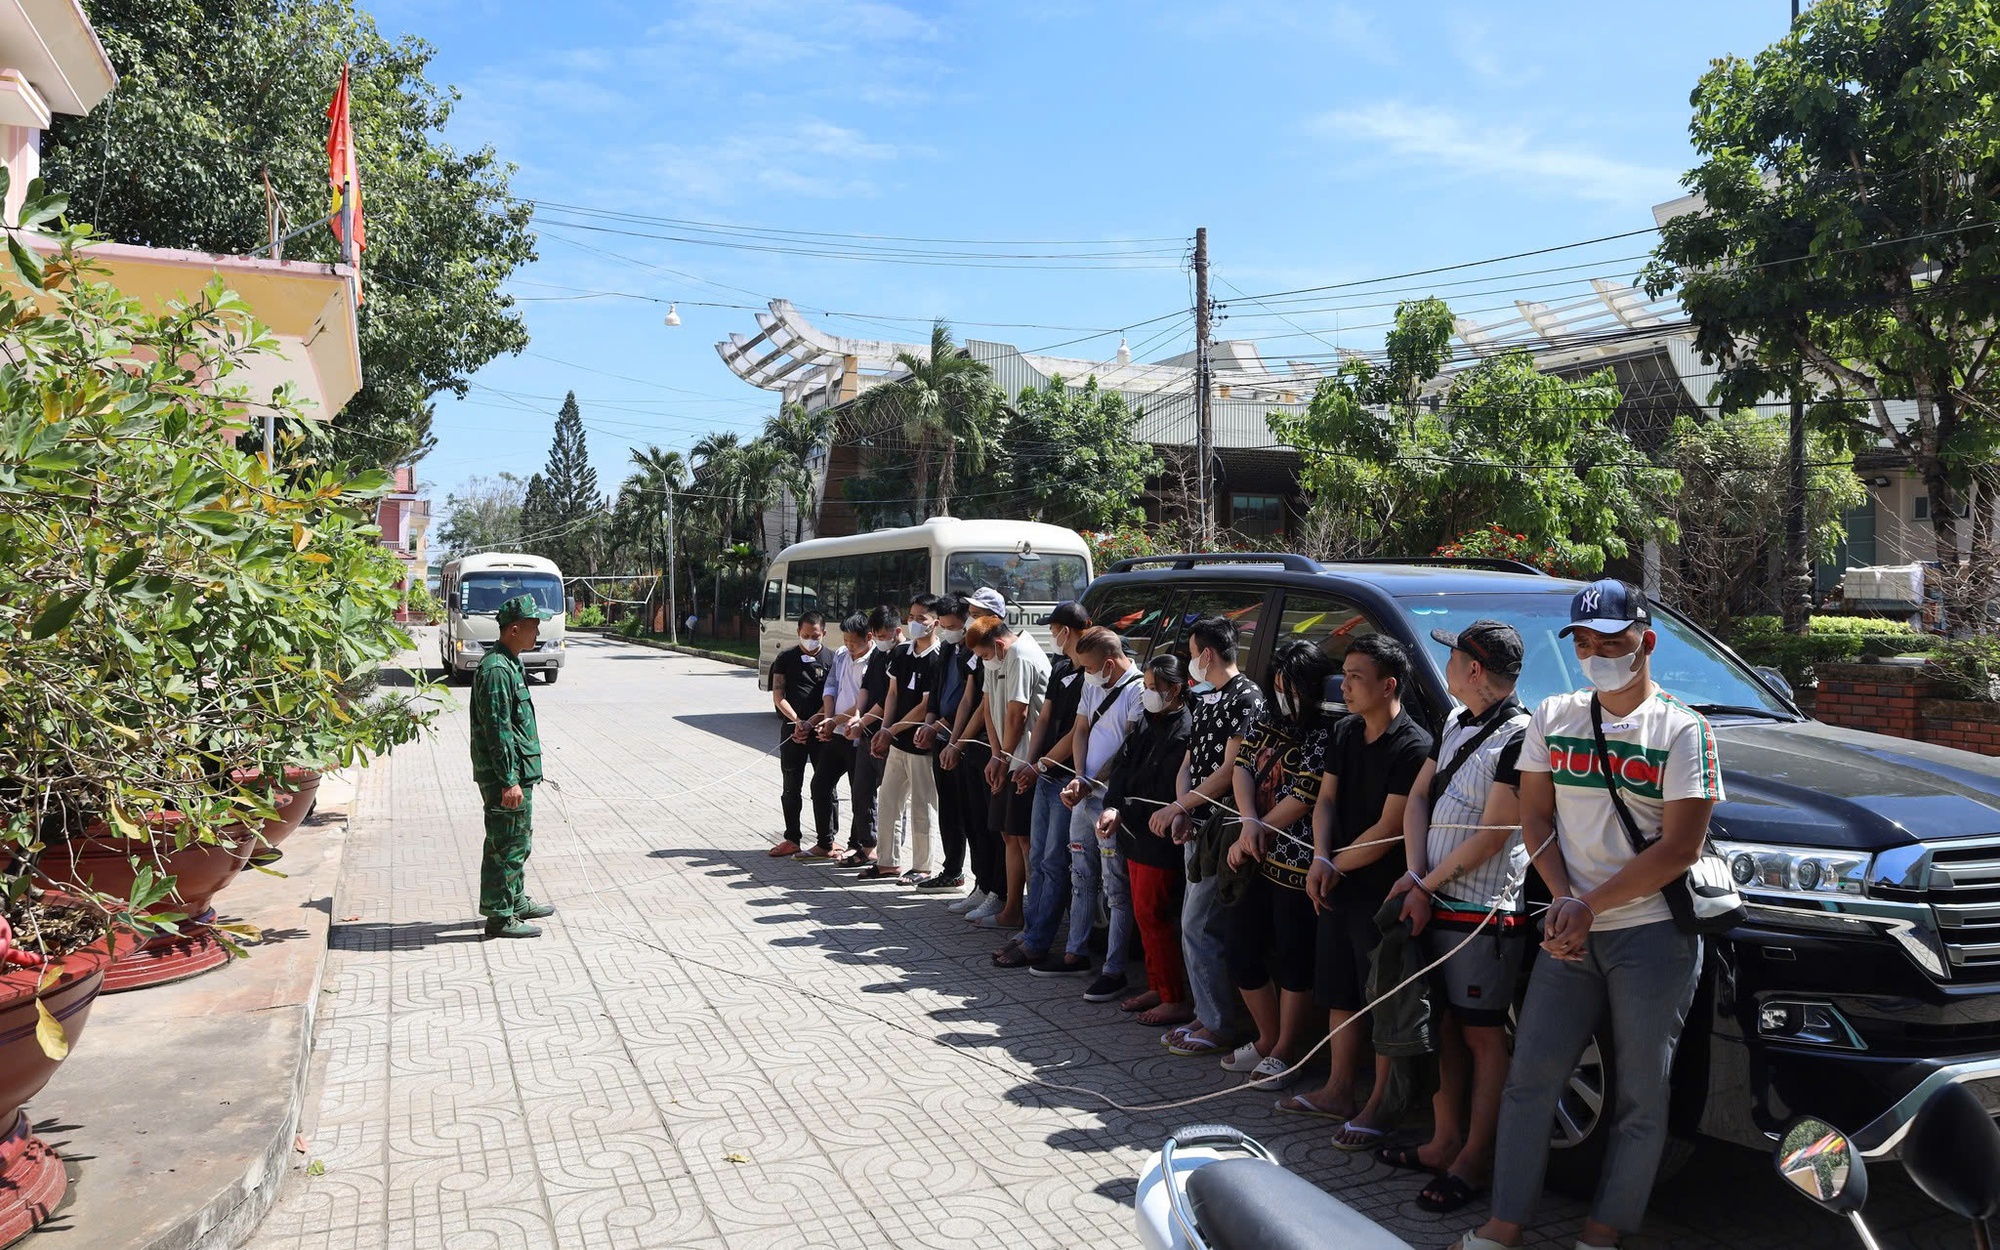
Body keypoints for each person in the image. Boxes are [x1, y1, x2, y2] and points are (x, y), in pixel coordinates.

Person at [1461, 580, 1722, 1250]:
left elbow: (1679, 848)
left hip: (1653, 937)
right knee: (1531, 1081)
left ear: (1647, 642)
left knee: (1641, 1094)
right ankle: (1504, 1223)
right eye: (1586, 643)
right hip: (1570, 931)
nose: (1600, 654)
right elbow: (1535, 815)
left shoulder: (1684, 730)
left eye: (1615, 642)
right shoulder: (1555, 716)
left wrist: (1585, 905)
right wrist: (1561, 896)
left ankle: (1603, 1232)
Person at [1380, 620, 1530, 1212]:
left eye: (1453, 657)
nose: (1442, 666)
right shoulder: (1452, 721)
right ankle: (1444, 1141)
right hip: (1434, 896)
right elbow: (1422, 795)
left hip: (1482, 910)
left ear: (1473, 668)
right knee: (1440, 1024)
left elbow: (1495, 834)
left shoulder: (1521, 738)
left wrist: (1427, 883)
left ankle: (1475, 1157)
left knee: (1482, 1034)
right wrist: (1417, 875)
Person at [1294, 634, 1433, 1149]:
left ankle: (1381, 1103)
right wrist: (1320, 856)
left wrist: (1332, 863)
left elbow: (1390, 829)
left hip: (1383, 888)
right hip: (1336, 879)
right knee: (1338, 987)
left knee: (1381, 996)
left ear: (1388, 684)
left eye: (1356, 676)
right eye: (1344, 674)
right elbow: (1325, 799)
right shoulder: (1346, 731)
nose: (1344, 685)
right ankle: (1337, 1088)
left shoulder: (1414, 744)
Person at [1219, 638, 1340, 1085]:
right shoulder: (1266, 714)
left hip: (1299, 861)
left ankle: (1290, 1046)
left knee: (1294, 957)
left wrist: (1261, 828)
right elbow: (1243, 764)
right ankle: (1268, 1037)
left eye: (1293, 687)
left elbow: (1307, 793)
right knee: (1240, 947)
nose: (1284, 695)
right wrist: (1249, 822)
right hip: (1255, 854)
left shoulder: (1328, 727)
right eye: (1278, 685)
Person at [1154, 616, 1264, 1058]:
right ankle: (1206, 1013)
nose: (1189, 663)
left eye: (1192, 652)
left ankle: (1221, 1024)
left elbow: (1230, 771)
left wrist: (1182, 806)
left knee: (1201, 925)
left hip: (1226, 828)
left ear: (1208, 655)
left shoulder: (1246, 697)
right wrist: (1184, 809)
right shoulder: (1207, 696)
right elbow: (1190, 761)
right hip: (1198, 824)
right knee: (1194, 924)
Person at [1033, 627, 1145, 999]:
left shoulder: (1137, 690)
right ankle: (1074, 953)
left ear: (1109, 665)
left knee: (1115, 887)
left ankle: (1114, 969)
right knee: (1080, 876)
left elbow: (1129, 748)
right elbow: (1080, 729)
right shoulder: (1090, 682)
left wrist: (1093, 780)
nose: (1085, 675)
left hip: (1112, 801)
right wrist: (1080, 778)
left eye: (1091, 668)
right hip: (1084, 794)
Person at [1096, 653, 1194, 1025]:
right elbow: (1122, 768)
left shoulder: (1187, 727)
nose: (1149, 693)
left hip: (1161, 833)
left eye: (1155, 688)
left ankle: (1174, 996)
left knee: (1154, 914)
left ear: (1176, 689)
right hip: (1134, 828)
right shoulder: (1145, 723)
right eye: (1147, 687)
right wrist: (1112, 806)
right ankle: (1156, 985)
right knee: (1141, 912)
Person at [995, 602, 1092, 968]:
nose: (1055, 636)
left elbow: (1075, 732)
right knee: (1037, 857)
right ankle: (1031, 930)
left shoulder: (1092, 673)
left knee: (1053, 861)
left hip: (1068, 776)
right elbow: (1046, 717)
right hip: (1044, 773)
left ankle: (1039, 941)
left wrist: (1042, 765)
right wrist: (1028, 764)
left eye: (1057, 629)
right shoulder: (1063, 668)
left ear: (1074, 629)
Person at [469, 594, 558, 939]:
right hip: (506, 776)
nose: (538, 633)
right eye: (534, 627)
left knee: (518, 840)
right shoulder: (495, 670)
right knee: (505, 842)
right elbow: (498, 729)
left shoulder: (511, 663)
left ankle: (515, 900)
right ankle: (500, 915)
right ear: (516, 629)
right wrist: (509, 780)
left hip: (519, 772)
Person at [965, 612, 1049, 928]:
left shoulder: (1022, 656)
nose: (984, 661)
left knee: (1025, 839)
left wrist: (1005, 759)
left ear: (999, 644)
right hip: (1007, 758)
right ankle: (1012, 909)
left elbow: (1018, 714)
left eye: (985, 655)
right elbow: (988, 706)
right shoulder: (995, 660)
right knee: (1008, 834)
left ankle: (1033, 914)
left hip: (1026, 760)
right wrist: (996, 755)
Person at [871, 594, 947, 884]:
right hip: (897, 743)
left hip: (919, 745)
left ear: (935, 623)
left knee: (922, 806)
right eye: (911, 617)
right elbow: (892, 694)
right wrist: (885, 730)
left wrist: (893, 730)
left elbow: (925, 706)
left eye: (921, 618)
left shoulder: (938, 658)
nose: (914, 622)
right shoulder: (901, 653)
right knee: (888, 800)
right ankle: (886, 861)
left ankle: (922, 866)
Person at [941, 591, 1006, 915]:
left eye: (976, 612)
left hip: (987, 745)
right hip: (969, 745)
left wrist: (961, 742)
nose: (970, 618)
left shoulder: (999, 651)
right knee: (973, 820)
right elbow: (968, 698)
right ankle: (981, 884)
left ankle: (999, 890)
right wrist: (953, 741)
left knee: (993, 824)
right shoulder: (971, 652)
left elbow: (985, 705)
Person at [816, 613, 887, 868]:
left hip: (859, 733)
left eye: (853, 641)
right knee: (820, 784)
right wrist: (828, 719)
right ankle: (825, 842)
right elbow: (831, 686)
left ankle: (859, 845)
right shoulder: (840, 655)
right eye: (845, 640)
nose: (848, 645)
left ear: (869, 637)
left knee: (862, 791)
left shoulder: (877, 661)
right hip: (837, 732)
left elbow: (863, 703)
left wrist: (837, 720)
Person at [914, 596, 972, 894]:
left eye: (953, 626)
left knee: (967, 810)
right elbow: (937, 692)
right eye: (945, 626)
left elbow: (970, 702)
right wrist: (930, 722)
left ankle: (977, 879)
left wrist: (941, 725)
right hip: (940, 736)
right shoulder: (948, 649)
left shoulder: (975, 651)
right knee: (947, 807)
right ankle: (952, 870)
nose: (948, 631)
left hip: (963, 740)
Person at [770, 611, 836, 860]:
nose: (810, 640)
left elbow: (832, 696)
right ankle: (792, 838)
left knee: (826, 786)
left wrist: (813, 722)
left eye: (815, 636)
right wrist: (797, 721)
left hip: (821, 730)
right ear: (798, 632)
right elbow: (779, 695)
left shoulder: (832, 659)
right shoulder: (785, 658)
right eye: (806, 635)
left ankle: (828, 839)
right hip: (793, 729)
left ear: (824, 634)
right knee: (791, 785)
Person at [850, 606, 903, 878]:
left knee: (891, 799)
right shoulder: (878, 655)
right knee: (861, 793)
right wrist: (858, 716)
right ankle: (868, 846)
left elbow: (890, 700)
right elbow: (866, 689)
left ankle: (890, 855)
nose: (881, 639)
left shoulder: (902, 656)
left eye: (885, 635)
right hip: (868, 733)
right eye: (877, 634)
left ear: (897, 631)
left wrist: (866, 722)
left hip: (889, 736)